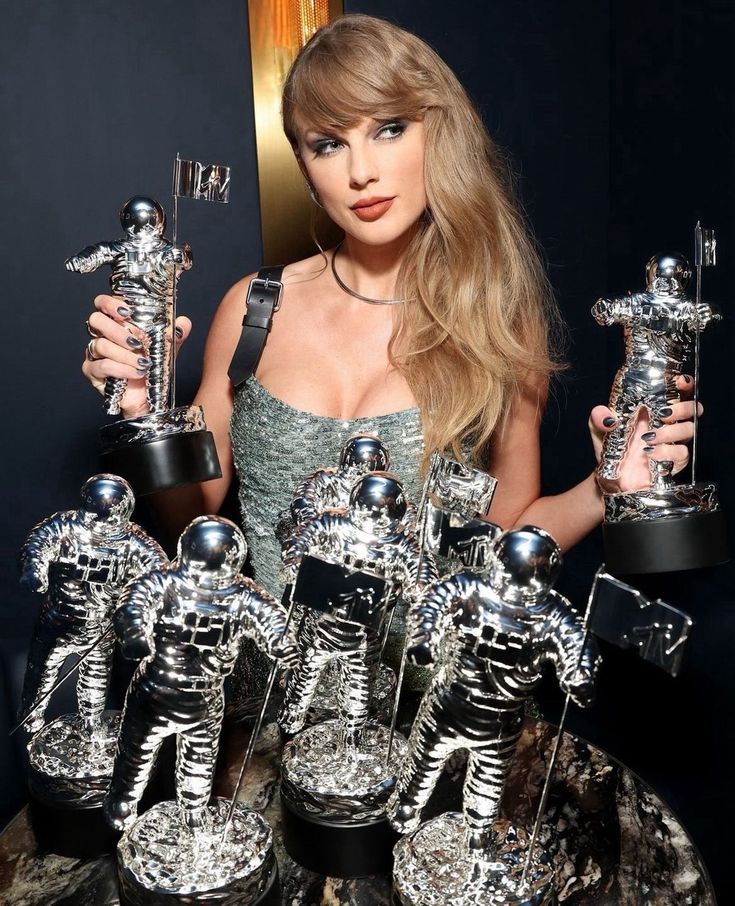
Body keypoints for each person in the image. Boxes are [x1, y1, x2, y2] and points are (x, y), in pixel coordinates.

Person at [79, 15, 698, 626]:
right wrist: (144, 412)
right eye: (329, 143)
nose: (360, 172)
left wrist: (605, 487)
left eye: (389, 129)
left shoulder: (495, 318)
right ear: (304, 166)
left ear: (437, 131)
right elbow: (195, 517)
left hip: (428, 699)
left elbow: (505, 538)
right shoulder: (254, 307)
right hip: (268, 693)